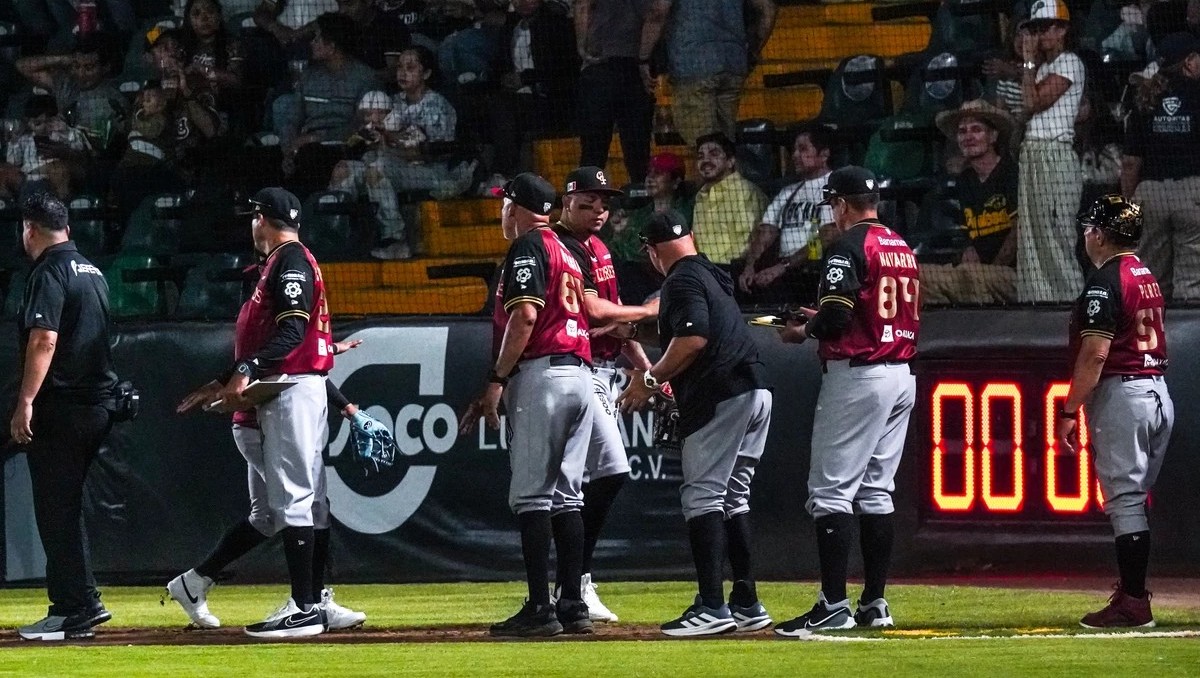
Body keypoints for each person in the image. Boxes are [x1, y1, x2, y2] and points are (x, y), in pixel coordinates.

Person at [166, 265, 370, 633]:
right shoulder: (259, 320)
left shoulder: (268, 321)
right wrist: (345, 402)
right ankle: (310, 602)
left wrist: (345, 401)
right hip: (256, 422)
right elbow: (284, 364)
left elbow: (303, 366)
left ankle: (194, 582)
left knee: (269, 516)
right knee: (305, 503)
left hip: (261, 420)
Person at [774, 166, 919, 636]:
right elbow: (863, 310)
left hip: (859, 375)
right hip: (900, 373)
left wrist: (804, 330)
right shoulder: (900, 245)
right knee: (876, 491)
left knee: (831, 492)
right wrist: (823, 316)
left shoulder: (848, 245)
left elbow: (837, 318)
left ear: (840, 204)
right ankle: (874, 602)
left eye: (832, 204)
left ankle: (834, 604)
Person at [615, 208, 772, 637]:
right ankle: (746, 602)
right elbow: (687, 330)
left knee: (702, 496)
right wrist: (633, 333)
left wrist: (649, 380)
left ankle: (712, 607)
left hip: (721, 392)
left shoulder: (680, 279)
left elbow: (693, 339)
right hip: (755, 388)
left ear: (651, 250)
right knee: (733, 497)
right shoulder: (709, 273)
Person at [458, 172, 596, 637]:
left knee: (533, 496)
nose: (501, 211)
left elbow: (525, 316)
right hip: (580, 372)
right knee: (567, 497)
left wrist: (496, 379)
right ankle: (572, 603)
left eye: (504, 203)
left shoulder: (529, 245)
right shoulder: (569, 250)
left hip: (544, 374)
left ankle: (540, 608)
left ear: (514, 207)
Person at [205, 187, 335, 638]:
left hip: (292, 387)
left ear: (262, 219)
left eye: (253, 216)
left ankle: (304, 608)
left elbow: (293, 330)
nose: (251, 223)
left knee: (294, 499)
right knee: (307, 499)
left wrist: (246, 367)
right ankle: (314, 601)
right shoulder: (286, 260)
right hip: (300, 385)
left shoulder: (289, 260)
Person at [1056, 195, 1173, 628]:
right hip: (1156, 390)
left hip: (1125, 394)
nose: (1086, 235)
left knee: (1124, 500)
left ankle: (1134, 603)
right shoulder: (1145, 274)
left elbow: (1095, 355)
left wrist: (1070, 409)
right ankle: (1132, 593)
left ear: (1101, 235)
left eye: (1090, 228)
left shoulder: (1105, 281)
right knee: (1135, 499)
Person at [550, 166, 659, 622]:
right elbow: (596, 313)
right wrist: (649, 310)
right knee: (602, 473)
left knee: (599, 477)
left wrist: (650, 372)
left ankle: (573, 582)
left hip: (606, 367)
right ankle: (572, 583)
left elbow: (616, 326)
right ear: (565, 204)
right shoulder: (561, 245)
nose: (598, 211)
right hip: (575, 367)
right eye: (587, 203)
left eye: (604, 204)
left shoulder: (598, 246)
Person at [11, 193, 119, 641]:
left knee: (56, 511)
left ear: (30, 230)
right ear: (68, 229)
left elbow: (45, 340)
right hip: (98, 404)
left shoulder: (49, 270)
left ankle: (74, 607)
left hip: (64, 408)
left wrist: (26, 400)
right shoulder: (92, 270)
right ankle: (81, 602)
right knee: (66, 508)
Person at [1015, 0, 1086, 302]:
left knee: (1057, 234)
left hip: (1054, 156)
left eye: (1045, 28)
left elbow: (1032, 102)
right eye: (1035, 29)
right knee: (1035, 236)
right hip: (1033, 155)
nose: (1039, 35)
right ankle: (1040, 302)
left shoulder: (1070, 62)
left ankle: (1071, 301)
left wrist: (1027, 62)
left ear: (1062, 30)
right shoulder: (1043, 67)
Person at [1122, 32, 1200, 302]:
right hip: (1192, 194)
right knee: (1192, 283)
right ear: (1189, 61)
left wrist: (1129, 205)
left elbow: (1130, 162)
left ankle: (1150, 329)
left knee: (1150, 282)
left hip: (1151, 195)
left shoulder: (1144, 96)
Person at [638, 0, 777, 145]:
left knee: (704, 145)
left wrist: (643, 58)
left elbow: (659, 10)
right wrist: (752, 52)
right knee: (725, 145)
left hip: (692, 66)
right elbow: (768, 9)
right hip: (733, 64)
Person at [921, 99, 1019, 305]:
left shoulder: (1011, 173)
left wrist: (991, 269)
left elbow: (1018, 233)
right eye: (962, 131)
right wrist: (968, 249)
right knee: (916, 276)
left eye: (976, 129)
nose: (968, 137)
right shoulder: (965, 180)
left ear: (993, 136)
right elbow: (970, 235)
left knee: (968, 278)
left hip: (1012, 275)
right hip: (973, 275)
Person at [735, 124, 835, 305]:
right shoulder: (787, 192)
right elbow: (765, 233)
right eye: (794, 150)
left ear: (824, 154)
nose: (795, 155)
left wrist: (782, 267)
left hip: (819, 271)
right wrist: (750, 266)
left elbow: (828, 235)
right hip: (786, 272)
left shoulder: (836, 186)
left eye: (803, 149)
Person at [279, 12, 376, 197]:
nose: (312, 43)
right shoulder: (308, 76)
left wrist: (317, 137)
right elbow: (291, 119)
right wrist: (287, 150)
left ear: (331, 46)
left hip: (344, 147)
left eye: (317, 38)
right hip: (304, 146)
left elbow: (362, 126)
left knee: (310, 156)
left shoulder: (366, 78)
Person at [574, 0, 654, 183]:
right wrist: (644, 58)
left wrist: (582, 47)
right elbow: (657, 13)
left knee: (593, 148)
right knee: (638, 148)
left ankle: (587, 194)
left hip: (600, 63)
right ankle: (642, 194)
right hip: (634, 65)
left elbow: (583, 6)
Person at [690, 131, 768, 267]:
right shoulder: (700, 196)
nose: (706, 160)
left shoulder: (746, 193)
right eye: (700, 156)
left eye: (714, 154)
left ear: (731, 161)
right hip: (702, 271)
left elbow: (746, 244)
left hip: (733, 271)